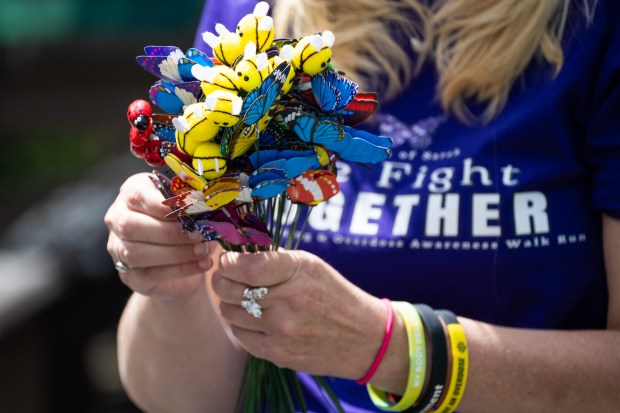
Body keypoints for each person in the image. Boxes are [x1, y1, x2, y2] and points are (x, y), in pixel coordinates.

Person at [105, 0, 620, 411]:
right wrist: (175, 287)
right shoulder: (257, 14)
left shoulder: (598, 24)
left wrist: (390, 347)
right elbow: (187, 399)